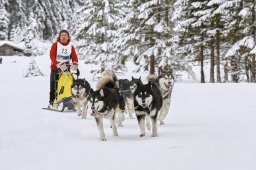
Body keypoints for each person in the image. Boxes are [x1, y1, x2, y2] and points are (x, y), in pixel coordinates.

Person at [48, 29, 78, 108]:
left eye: (65, 35)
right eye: (62, 35)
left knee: (68, 86)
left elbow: (74, 58)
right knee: (54, 86)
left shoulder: (70, 47)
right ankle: (52, 102)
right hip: (56, 69)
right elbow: (52, 56)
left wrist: (74, 65)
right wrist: (57, 64)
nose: (64, 37)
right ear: (59, 37)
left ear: (68, 37)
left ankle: (68, 102)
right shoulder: (55, 45)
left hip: (66, 69)